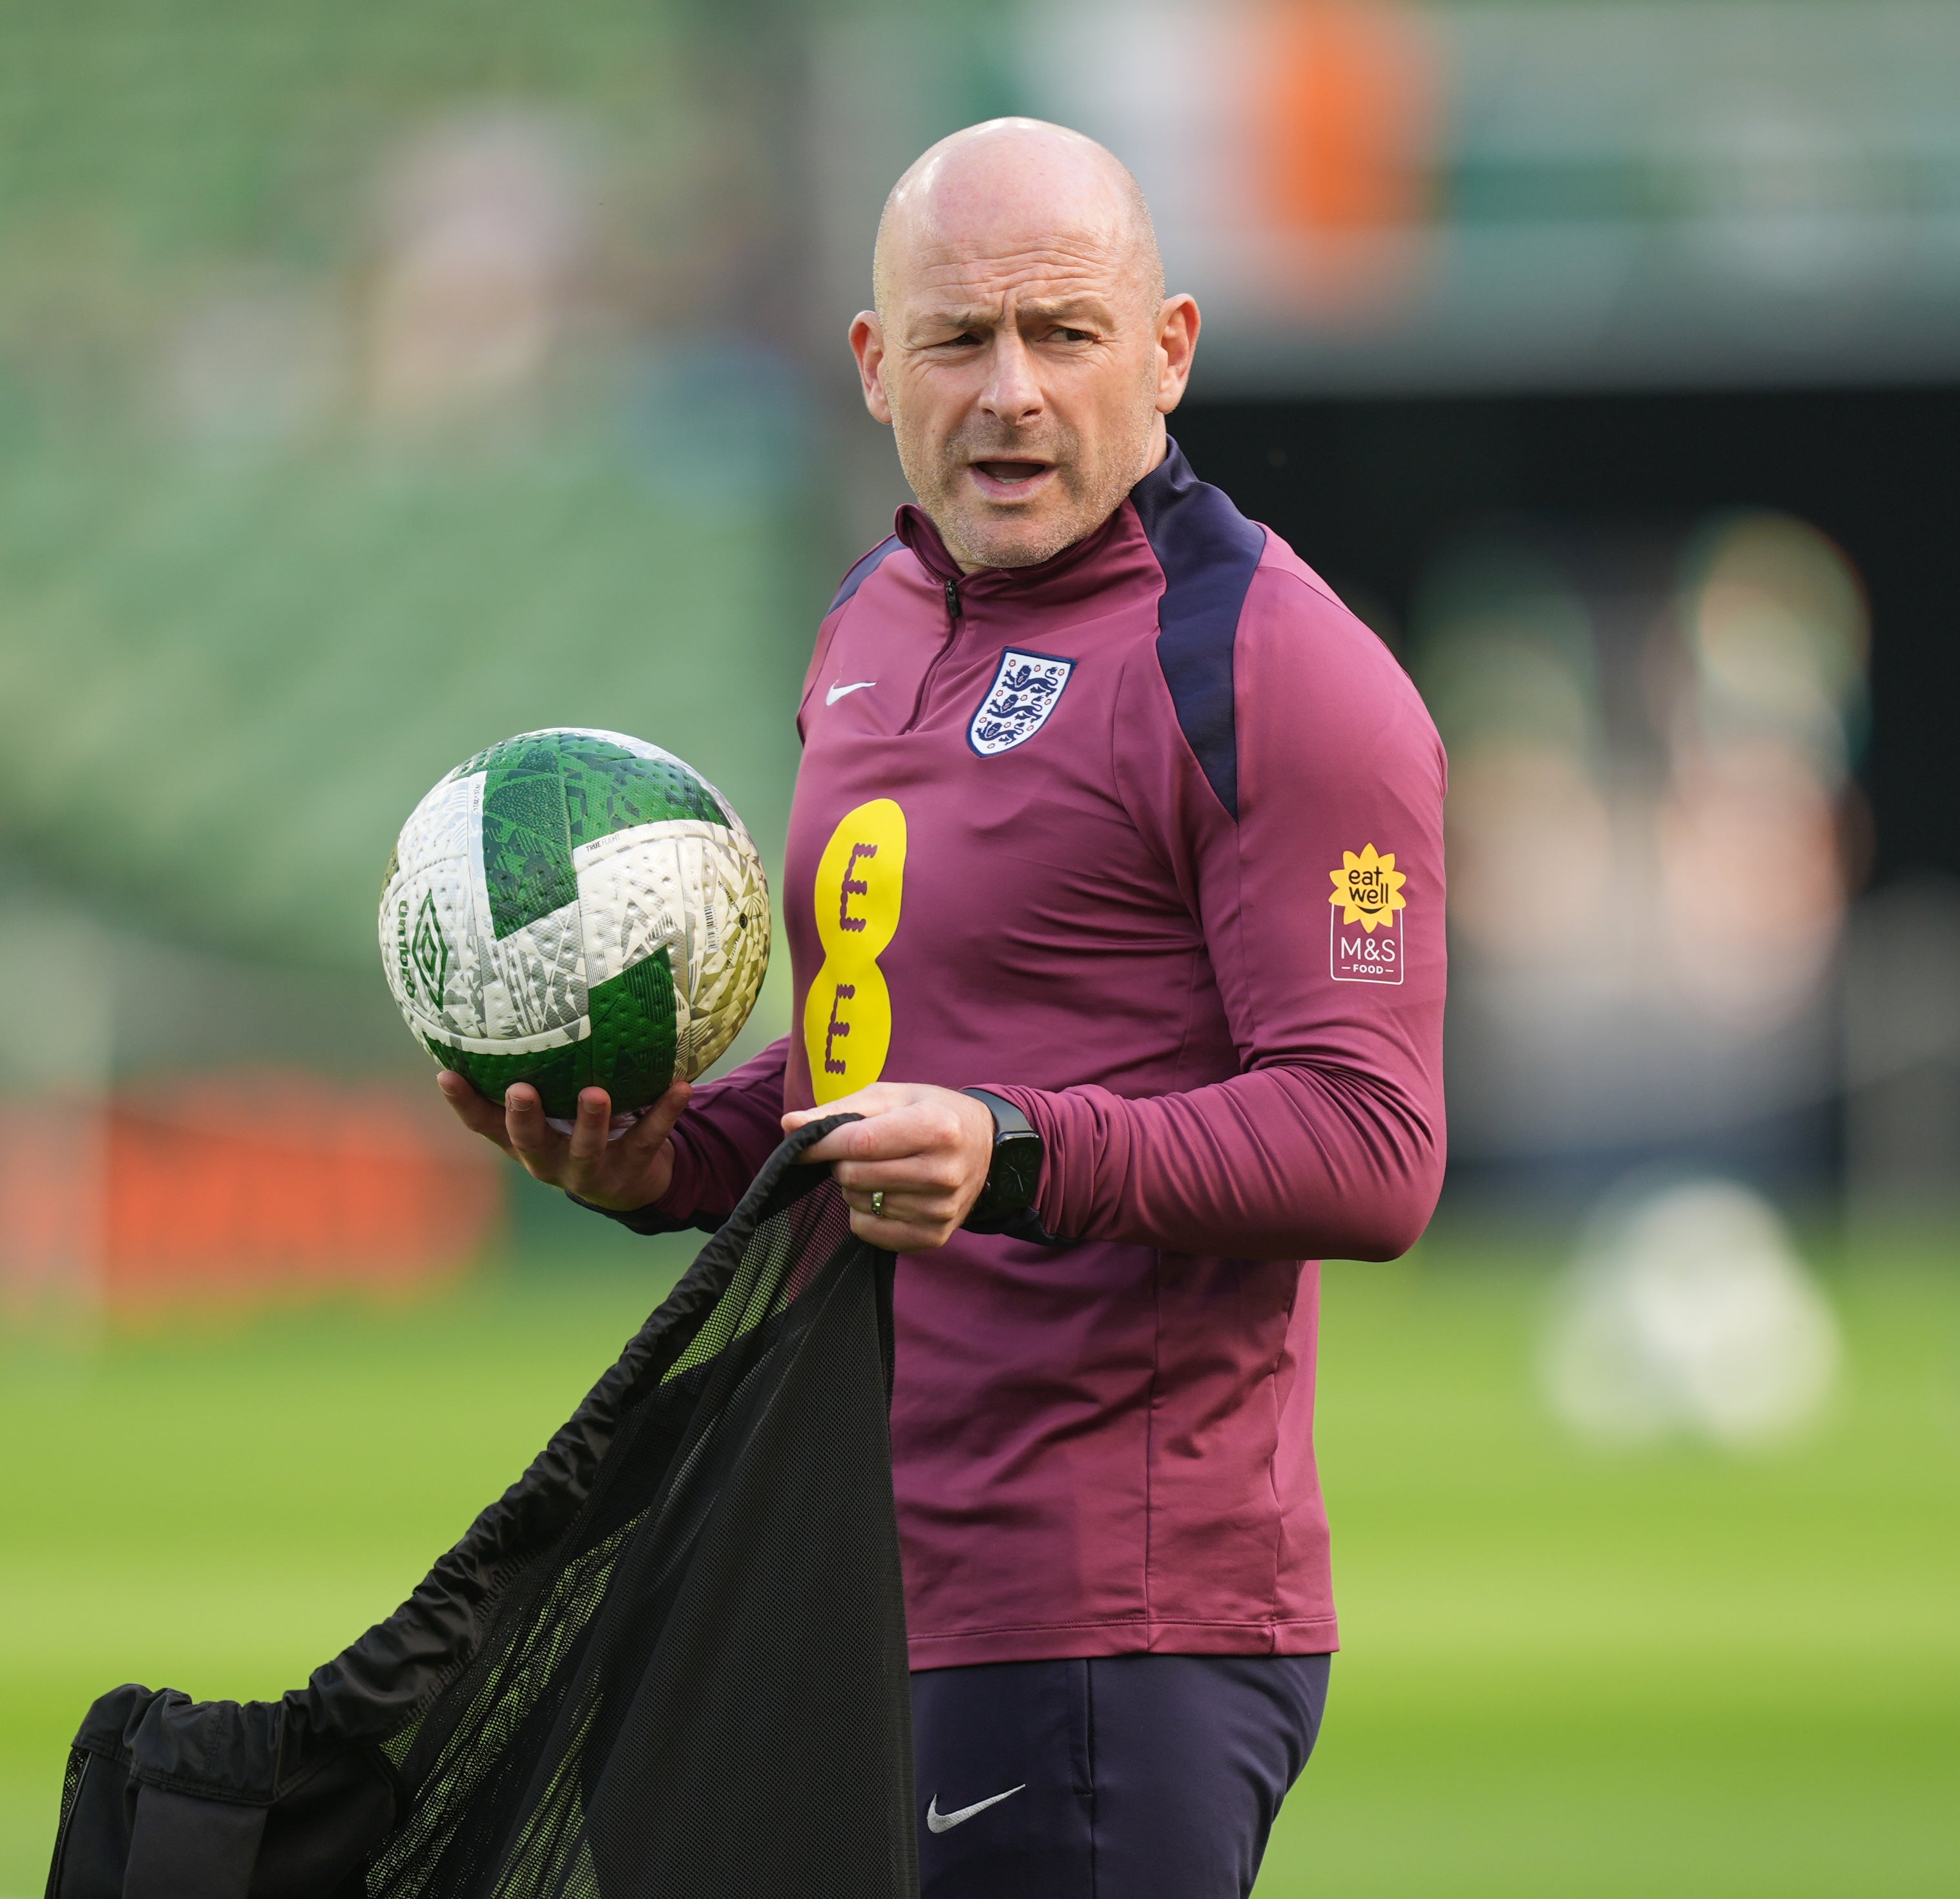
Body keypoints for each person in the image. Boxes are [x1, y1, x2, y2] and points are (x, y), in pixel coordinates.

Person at [443, 117, 1446, 1898]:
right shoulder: (876, 619)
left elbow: (1370, 1146)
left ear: (1170, 349)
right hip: (829, 1565)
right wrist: (677, 1156)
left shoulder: (1269, 666)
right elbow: (881, 1059)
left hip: (1098, 1627)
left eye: (1063, 334)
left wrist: (1014, 1148)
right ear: (866, 363)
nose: (1008, 395)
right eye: (956, 341)